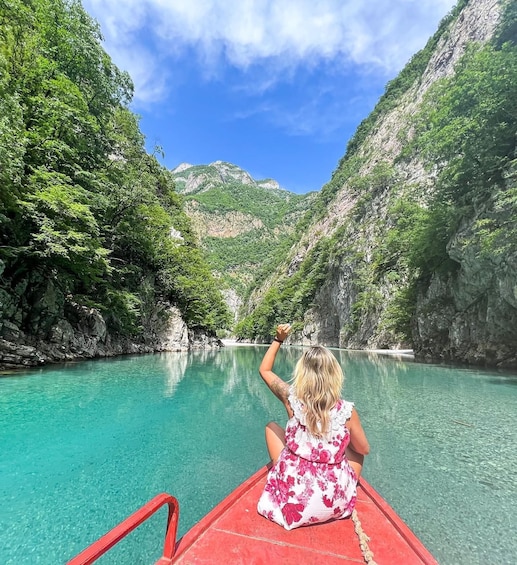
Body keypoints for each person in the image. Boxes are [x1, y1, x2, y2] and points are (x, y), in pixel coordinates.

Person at [257, 323, 370, 530]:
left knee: (271, 426)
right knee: (356, 451)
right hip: (333, 503)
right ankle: (343, 489)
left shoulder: (291, 399)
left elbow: (264, 369)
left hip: (295, 501)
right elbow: (364, 449)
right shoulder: (346, 411)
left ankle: (287, 475)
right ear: (335, 375)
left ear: (302, 374)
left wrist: (278, 339)